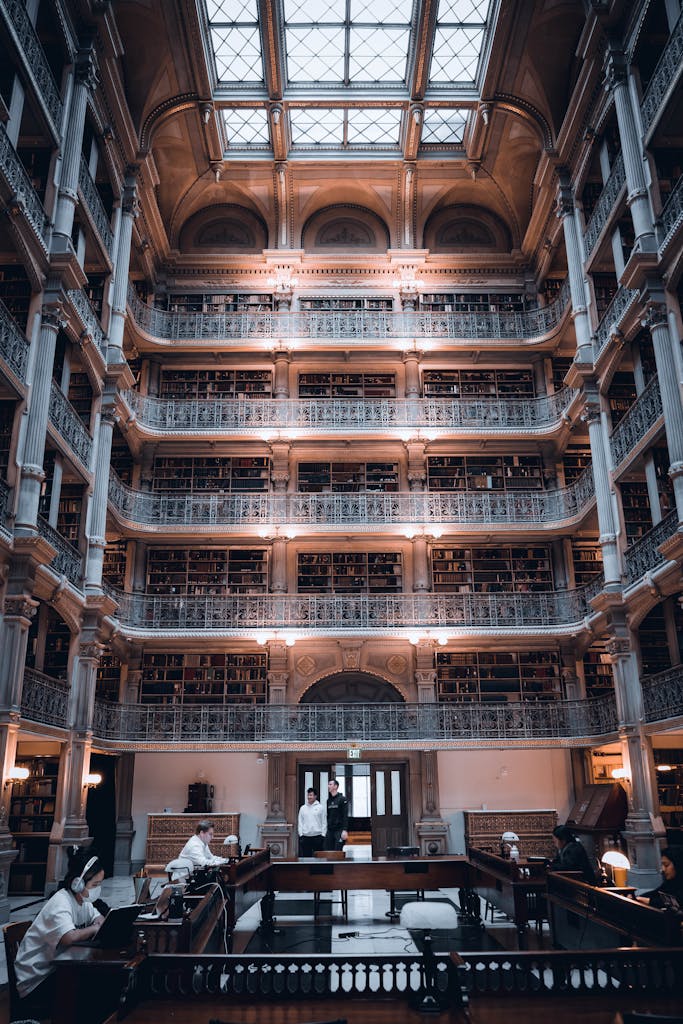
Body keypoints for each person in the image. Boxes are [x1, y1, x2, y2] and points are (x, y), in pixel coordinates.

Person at [14, 847, 106, 1017]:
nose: (97, 890)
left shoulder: (83, 901)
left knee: (99, 983)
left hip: (56, 970)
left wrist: (99, 923)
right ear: (78, 883)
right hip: (36, 981)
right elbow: (68, 938)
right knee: (92, 991)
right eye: (95, 885)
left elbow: (99, 919)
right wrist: (94, 928)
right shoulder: (61, 902)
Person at [298, 787, 326, 856]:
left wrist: (323, 835)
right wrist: (301, 835)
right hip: (305, 837)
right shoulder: (303, 808)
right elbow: (300, 822)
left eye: (311, 795)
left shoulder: (320, 807)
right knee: (306, 858)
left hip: (318, 837)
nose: (309, 797)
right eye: (308, 795)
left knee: (319, 858)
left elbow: (324, 822)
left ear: (315, 796)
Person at [325, 778, 349, 851]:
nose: (328, 786)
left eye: (330, 784)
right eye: (328, 784)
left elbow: (345, 815)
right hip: (330, 830)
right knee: (328, 851)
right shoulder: (328, 800)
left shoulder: (342, 799)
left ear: (336, 786)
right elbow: (328, 815)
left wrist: (344, 830)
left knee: (338, 851)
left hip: (339, 830)